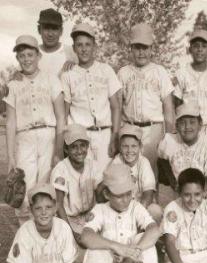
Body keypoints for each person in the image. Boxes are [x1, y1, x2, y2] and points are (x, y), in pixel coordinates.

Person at [4, 35, 65, 224]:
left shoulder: (51, 79)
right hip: (25, 137)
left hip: (48, 135)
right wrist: (11, 157)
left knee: (47, 187)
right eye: (22, 56)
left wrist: (58, 150)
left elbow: (61, 116)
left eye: (30, 54)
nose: (26, 59)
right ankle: (27, 233)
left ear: (38, 56)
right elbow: (11, 122)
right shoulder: (13, 84)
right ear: (17, 59)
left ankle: (48, 234)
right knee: (24, 190)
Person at [80, 163, 161, 263]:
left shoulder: (135, 207)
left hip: (133, 259)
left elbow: (154, 230)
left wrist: (134, 251)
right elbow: (86, 236)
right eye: (119, 195)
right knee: (94, 250)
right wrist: (116, 247)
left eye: (128, 193)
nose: (125, 200)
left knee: (146, 241)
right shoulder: (100, 209)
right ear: (106, 194)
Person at [61, 23, 122, 174]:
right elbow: (64, 112)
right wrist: (65, 139)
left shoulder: (105, 70)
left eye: (88, 44)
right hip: (79, 137)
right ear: (74, 48)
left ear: (94, 46)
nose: (84, 49)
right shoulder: (68, 74)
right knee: (82, 181)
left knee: (104, 180)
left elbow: (116, 107)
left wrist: (115, 136)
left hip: (104, 134)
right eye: (79, 45)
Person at [117, 23, 175, 175]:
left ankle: (152, 198)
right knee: (128, 171)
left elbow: (168, 108)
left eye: (145, 47)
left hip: (153, 129)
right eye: (137, 47)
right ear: (131, 49)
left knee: (151, 171)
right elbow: (117, 106)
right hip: (129, 128)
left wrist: (169, 137)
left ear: (151, 49)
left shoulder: (159, 72)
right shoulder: (123, 73)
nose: (141, 52)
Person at [7, 183, 78, 263]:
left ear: (55, 207)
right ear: (31, 210)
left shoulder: (63, 228)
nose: (44, 212)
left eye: (48, 207)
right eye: (38, 208)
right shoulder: (24, 232)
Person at [173, 29, 207, 147]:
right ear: (190, 49)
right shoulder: (182, 73)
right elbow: (177, 102)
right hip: (190, 125)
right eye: (196, 46)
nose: (200, 50)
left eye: (204, 46)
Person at [158, 102, 207, 191]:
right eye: (182, 123)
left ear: (200, 124)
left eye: (192, 122)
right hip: (179, 192)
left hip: (203, 193)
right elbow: (162, 159)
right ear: (176, 126)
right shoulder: (168, 140)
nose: (187, 127)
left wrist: (191, 195)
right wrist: (172, 180)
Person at [50, 124, 102, 236]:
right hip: (68, 219)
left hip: (90, 215)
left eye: (82, 145)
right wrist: (70, 231)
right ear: (66, 149)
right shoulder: (60, 170)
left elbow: (101, 196)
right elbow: (58, 205)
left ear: (87, 146)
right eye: (74, 147)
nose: (79, 151)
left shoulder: (93, 166)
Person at [110, 123, 163, 223]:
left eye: (134, 146)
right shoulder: (117, 161)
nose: (129, 150)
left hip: (141, 205)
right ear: (120, 148)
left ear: (140, 147)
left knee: (155, 210)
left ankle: (150, 235)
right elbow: (111, 191)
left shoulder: (144, 162)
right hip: (122, 205)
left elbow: (148, 193)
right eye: (125, 146)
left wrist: (136, 214)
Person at [37, 8, 77, 77]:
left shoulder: (71, 52)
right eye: (46, 28)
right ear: (39, 30)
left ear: (61, 31)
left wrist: (76, 66)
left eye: (54, 28)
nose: (50, 34)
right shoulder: (32, 52)